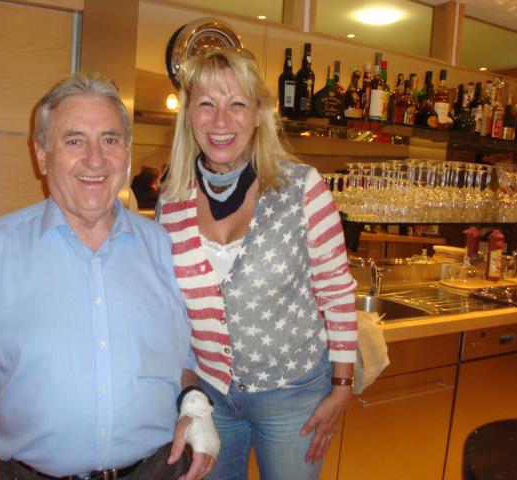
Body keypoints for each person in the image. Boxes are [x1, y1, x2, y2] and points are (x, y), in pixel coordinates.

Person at [0, 72, 219, 480]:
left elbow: (183, 361)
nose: (95, 159)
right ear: (41, 155)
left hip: (158, 470)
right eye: (74, 141)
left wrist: (194, 404)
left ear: (126, 152)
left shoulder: (163, 248)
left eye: (110, 140)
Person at [156, 49, 357, 480]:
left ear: (259, 114)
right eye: (206, 104)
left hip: (292, 395)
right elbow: (170, 313)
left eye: (237, 104)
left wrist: (343, 386)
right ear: (188, 115)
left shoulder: (302, 188)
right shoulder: (171, 202)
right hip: (210, 395)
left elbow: (337, 292)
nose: (220, 120)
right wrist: (189, 395)